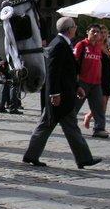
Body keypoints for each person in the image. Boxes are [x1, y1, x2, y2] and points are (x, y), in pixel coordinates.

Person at [22, 17, 101, 169]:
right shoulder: (59, 44)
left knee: (50, 125)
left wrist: (77, 86)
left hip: (65, 93)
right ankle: (84, 158)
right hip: (60, 96)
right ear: (70, 29)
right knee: (59, 125)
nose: (76, 28)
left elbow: (67, 72)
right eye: (74, 26)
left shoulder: (63, 43)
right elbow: (53, 72)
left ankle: (32, 155)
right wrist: (54, 94)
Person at [73, 23, 108, 138]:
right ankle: (69, 126)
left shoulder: (99, 47)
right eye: (93, 31)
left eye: (97, 32)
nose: (96, 34)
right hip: (83, 82)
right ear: (87, 32)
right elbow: (73, 62)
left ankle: (99, 129)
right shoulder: (81, 45)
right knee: (75, 106)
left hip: (96, 83)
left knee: (98, 107)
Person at [83, 25, 110, 129]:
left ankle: (99, 123)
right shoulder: (96, 46)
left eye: (106, 32)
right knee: (101, 102)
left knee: (104, 103)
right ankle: (93, 120)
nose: (104, 34)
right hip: (99, 77)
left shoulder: (106, 46)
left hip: (107, 77)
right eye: (102, 32)